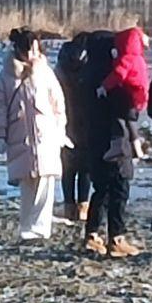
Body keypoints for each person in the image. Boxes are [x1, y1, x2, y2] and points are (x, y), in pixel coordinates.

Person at [0, 27, 69, 242]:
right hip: (20, 137)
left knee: (46, 182)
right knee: (28, 184)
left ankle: (41, 229)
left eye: (36, 50)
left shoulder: (45, 72)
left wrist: (61, 128)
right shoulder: (6, 77)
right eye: (29, 50)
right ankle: (27, 227)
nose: (33, 55)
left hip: (46, 137)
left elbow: (57, 101)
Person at [82, 26, 149, 257]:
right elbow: (125, 111)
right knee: (120, 187)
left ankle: (92, 234)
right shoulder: (112, 78)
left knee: (100, 188)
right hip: (116, 138)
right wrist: (135, 137)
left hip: (92, 136)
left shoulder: (87, 74)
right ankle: (116, 238)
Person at [54, 31, 99, 222]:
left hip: (65, 118)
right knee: (85, 166)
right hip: (86, 118)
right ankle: (83, 205)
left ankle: (68, 205)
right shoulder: (89, 64)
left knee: (68, 166)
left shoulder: (61, 64)